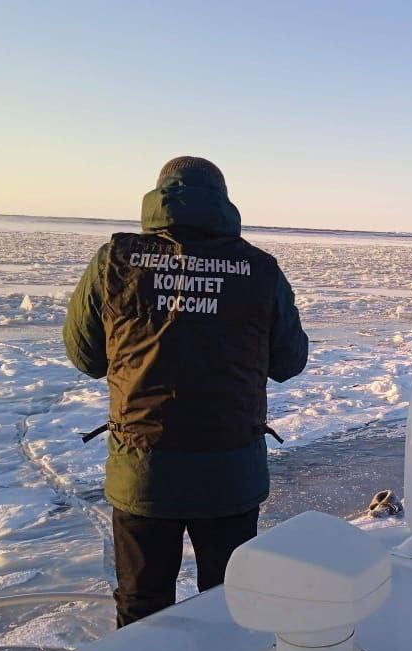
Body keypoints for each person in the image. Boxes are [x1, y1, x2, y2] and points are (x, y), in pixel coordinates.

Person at [63, 156, 308, 627]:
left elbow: (85, 356)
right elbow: (290, 362)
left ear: (159, 198)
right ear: (222, 200)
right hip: (231, 474)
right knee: (232, 601)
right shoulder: (258, 269)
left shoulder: (115, 262)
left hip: (144, 471)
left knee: (142, 608)